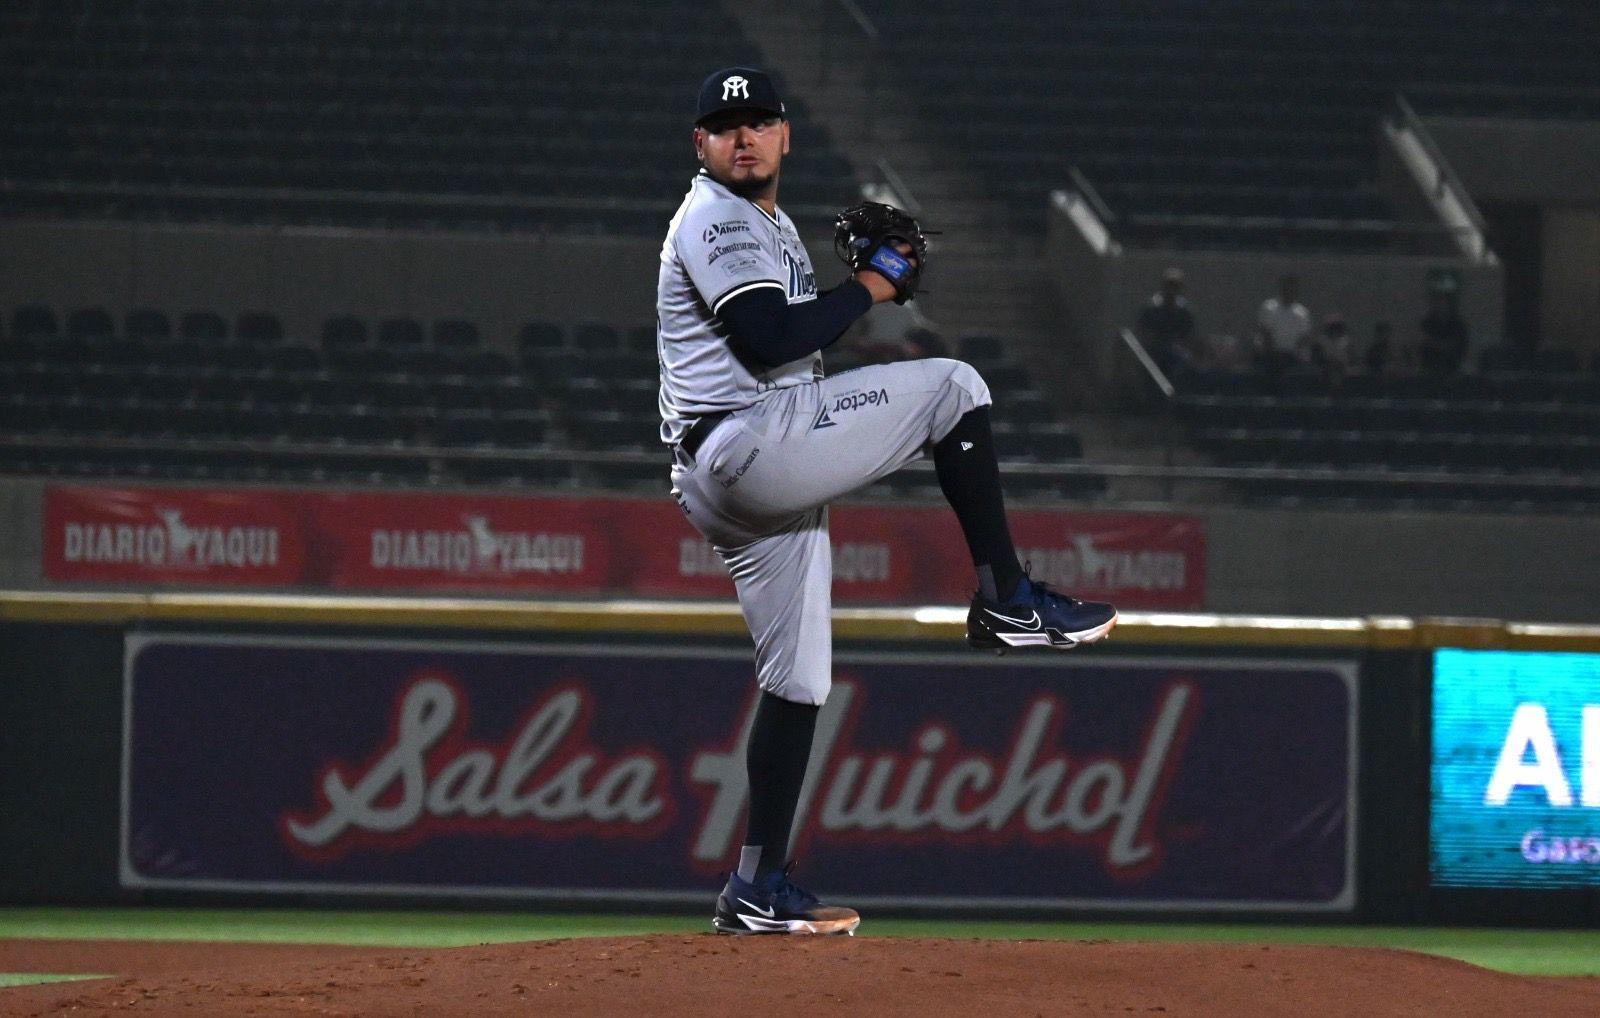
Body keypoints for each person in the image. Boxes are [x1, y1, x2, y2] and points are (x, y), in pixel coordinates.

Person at [656, 68, 1117, 938]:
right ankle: (1008, 599)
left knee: (797, 681)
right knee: (955, 386)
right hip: (746, 442)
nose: (743, 138)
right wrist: (874, 284)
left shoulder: (766, 223)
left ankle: (755, 886)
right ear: (702, 146)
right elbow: (770, 336)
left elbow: (789, 339)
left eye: (758, 123)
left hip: (735, 470)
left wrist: (864, 285)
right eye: (725, 127)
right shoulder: (716, 216)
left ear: (786, 136)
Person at [1134, 266, 1198, 377]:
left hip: (1176, 351)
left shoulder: (1184, 311)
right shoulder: (1152, 308)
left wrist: (1179, 347)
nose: (1171, 290)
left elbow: (1189, 336)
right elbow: (1143, 333)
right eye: (1169, 285)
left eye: (1175, 286)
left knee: (1183, 361)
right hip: (1154, 350)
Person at [1254, 273, 1312, 375]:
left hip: (1292, 358)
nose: (1289, 290)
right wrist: (1274, 354)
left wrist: (1294, 355)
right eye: (1287, 287)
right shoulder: (1268, 307)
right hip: (1270, 357)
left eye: (1292, 288)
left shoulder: (1302, 313)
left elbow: (1304, 338)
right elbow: (1264, 332)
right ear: (1281, 288)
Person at [1418, 290, 1470, 376]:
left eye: (1444, 303)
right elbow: (1423, 342)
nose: (1441, 306)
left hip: (1453, 366)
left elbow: (1458, 344)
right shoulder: (1428, 322)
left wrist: (1439, 344)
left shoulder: (1458, 324)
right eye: (1438, 303)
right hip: (1430, 366)